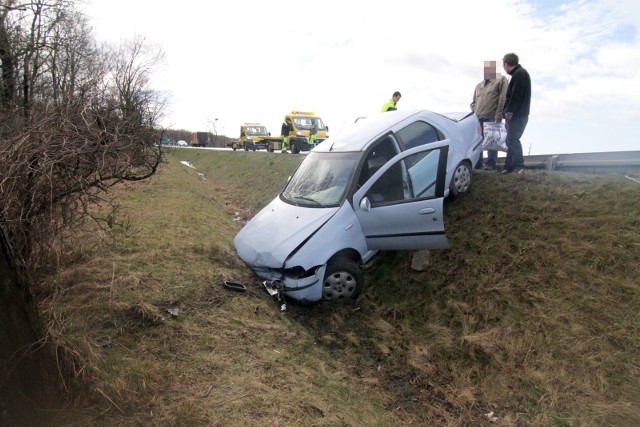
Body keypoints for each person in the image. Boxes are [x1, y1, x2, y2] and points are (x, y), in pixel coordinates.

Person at [470, 60, 508, 170]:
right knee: (478, 141)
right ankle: (478, 163)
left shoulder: (501, 80)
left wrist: (499, 114)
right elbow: (473, 102)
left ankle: (491, 163)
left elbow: (503, 98)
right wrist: (475, 110)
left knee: (492, 141)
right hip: (478, 117)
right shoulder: (479, 85)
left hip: (492, 115)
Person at [501, 52, 531, 174]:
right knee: (509, 140)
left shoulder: (520, 74)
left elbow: (516, 96)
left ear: (506, 64)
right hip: (516, 114)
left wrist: (510, 112)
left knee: (513, 139)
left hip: (518, 115)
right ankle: (508, 167)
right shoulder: (518, 74)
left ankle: (518, 166)